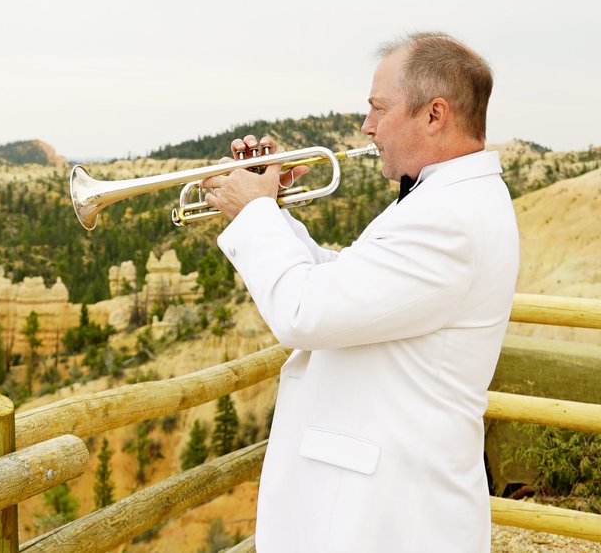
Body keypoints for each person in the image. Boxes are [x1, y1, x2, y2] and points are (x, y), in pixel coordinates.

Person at [201, 32, 520, 552]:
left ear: (434, 115)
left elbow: (304, 311)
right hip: (376, 501)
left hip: (389, 515)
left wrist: (256, 212)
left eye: (378, 108)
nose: (367, 127)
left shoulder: (450, 218)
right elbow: (345, 281)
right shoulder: (444, 198)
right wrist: (274, 211)